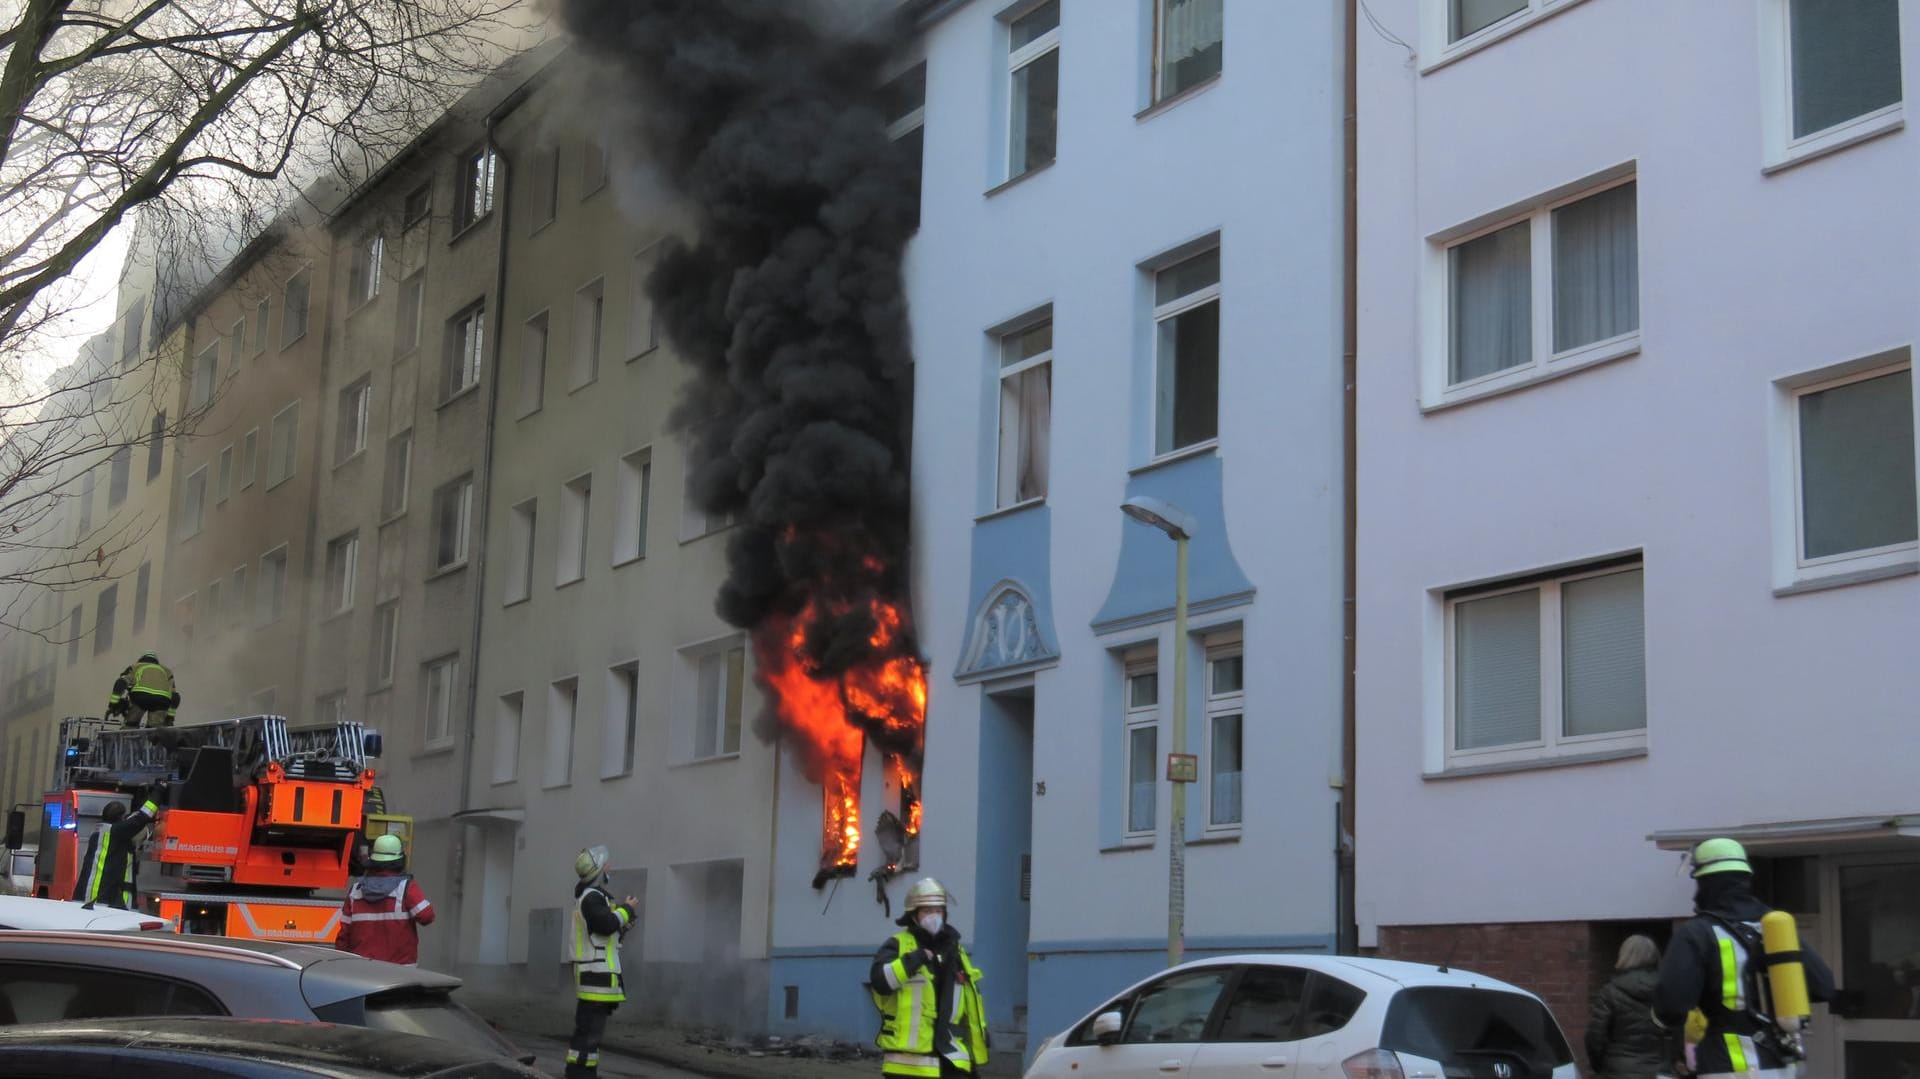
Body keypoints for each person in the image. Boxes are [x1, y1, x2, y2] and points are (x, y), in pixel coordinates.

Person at [1653, 838, 1835, 1078]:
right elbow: (1824, 987)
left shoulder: (1698, 933)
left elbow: (1671, 1006)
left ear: (1704, 881)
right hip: (1783, 1065)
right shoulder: (1774, 927)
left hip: (1728, 1066)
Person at [867, 877, 989, 1078]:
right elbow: (880, 981)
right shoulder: (898, 945)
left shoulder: (955, 950)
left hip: (952, 1060)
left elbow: (969, 1005)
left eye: (938, 911)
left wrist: (972, 1060)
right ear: (914, 916)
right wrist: (914, 960)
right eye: (927, 911)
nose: (934, 916)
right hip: (908, 1066)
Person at [566, 845, 637, 1079]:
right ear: (598, 870)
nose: (610, 868)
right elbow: (605, 925)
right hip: (595, 980)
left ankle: (583, 1074)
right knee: (587, 1039)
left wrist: (623, 923)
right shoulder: (591, 898)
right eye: (606, 864)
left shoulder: (592, 898)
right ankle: (579, 1075)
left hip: (595, 980)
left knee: (589, 1039)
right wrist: (626, 910)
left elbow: (606, 934)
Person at [335, 834, 434, 965]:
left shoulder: (356, 891)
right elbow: (427, 917)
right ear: (400, 860)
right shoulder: (406, 888)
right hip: (400, 972)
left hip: (363, 970)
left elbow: (343, 937)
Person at [1587, 934, 1675, 1078]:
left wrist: (1602, 1067)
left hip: (1617, 1070)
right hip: (1658, 1070)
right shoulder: (1667, 991)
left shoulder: (1610, 991)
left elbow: (1595, 1037)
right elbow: (1676, 1031)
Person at [79, 787, 162, 910]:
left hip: (93, 897)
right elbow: (143, 817)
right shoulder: (117, 831)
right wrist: (158, 792)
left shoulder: (99, 831)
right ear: (120, 818)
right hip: (105, 899)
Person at [106, 651, 181, 729]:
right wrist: (170, 717)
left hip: (140, 698)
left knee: (130, 725)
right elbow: (175, 696)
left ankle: (129, 736)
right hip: (162, 700)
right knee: (154, 730)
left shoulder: (136, 667)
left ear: (141, 659)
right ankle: (152, 737)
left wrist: (113, 704)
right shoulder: (167, 671)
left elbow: (120, 683)